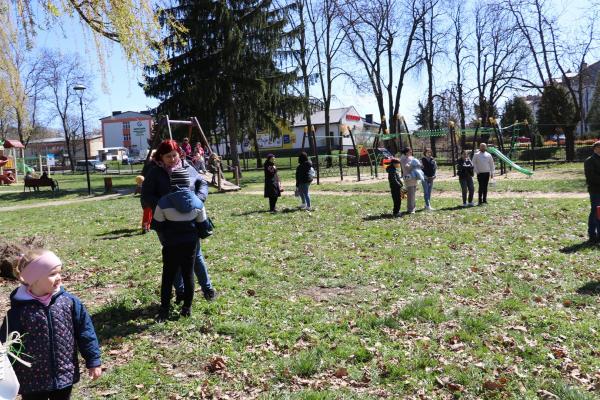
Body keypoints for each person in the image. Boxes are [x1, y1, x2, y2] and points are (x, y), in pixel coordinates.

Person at [0, 248, 102, 400]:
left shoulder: (69, 302)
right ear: (34, 279)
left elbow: (85, 332)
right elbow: (6, 345)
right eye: (52, 274)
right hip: (31, 379)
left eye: (59, 272)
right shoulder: (19, 312)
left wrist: (93, 360)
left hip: (64, 373)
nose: (59, 277)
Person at [141, 139, 217, 302]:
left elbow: (202, 183)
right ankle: (181, 292)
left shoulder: (186, 166)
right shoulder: (155, 172)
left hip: (189, 220)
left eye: (174, 155)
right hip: (166, 222)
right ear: (160, 157)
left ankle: (208, 289)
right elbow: (146, 195)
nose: (172, 159)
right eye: (168, 156)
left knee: (196, 256)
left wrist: (199, 198)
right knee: (173, 259)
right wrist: (164, 204)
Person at [151, 168, 212, 320]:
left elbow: (157, 224)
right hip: (190, 244)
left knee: (168, 276)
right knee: (188, 274)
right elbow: (203, 225)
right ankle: (186, 308)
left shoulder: (163, 202)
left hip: (170, 244)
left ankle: (164, 309)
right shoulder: (198, 202)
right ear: (188, 183)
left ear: (172, 183)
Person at [584, 141, 600, 243]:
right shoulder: (589, 160)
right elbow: (591, 177)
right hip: (596, 191)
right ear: (595, 148)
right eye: (599, 147)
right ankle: (592, 235)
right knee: (595, 212)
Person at [400, 148, 418, 214]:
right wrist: (413, 164)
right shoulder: (403, 159)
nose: (411, 153)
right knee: (410, 194)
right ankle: (410, 209)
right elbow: (407, 167)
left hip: (414, 177)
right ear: (406, 152)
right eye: (410, 152)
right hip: (408, 178)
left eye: (411, 152)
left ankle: (413, 207)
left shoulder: (411, 157)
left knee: (413, 193)